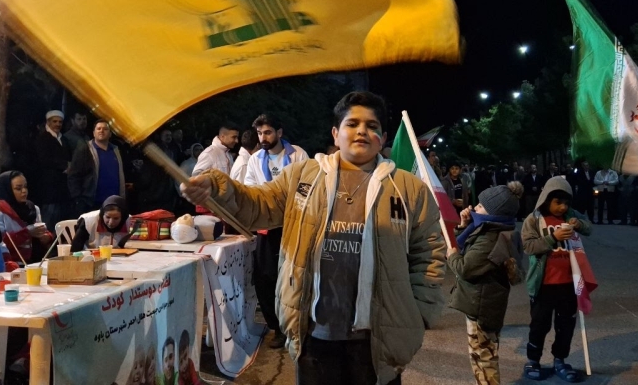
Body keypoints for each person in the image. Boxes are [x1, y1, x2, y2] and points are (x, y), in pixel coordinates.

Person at [181, 91, 446, 384]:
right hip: (314, 336)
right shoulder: (302, 176)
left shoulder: (409, 189)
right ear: (335, 133)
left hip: (378, 341)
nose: (361, 131)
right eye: (352, 124)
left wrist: (417, 316)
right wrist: (217, 187)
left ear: (382, 138)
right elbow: (256, 205)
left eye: (371, 126)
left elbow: (430, 254)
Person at [448, 181, 523, 385]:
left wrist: (451, 255)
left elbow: (466, 268)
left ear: (494, 213)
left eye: (481, 206)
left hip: (481, 306)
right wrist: (464, 225)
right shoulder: (490, 229)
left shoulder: (490, 238)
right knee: (480, 354)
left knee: (483, 357)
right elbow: (469, 245)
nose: (475, 207)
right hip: (483, 302)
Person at [244, 113, 308, 349]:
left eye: (268, 132)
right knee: (265, 278)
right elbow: (250, 188)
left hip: (294, 225)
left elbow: (309, 186)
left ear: (279, 133)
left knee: (293, 275)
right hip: (267, 227)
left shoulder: (298, 155)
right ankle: (276, 328)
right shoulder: (254, 159)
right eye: (260, 133)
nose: (263, 137)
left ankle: (297, 325)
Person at [521, 176, 591, 383]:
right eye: (558, 202)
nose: (563, 207)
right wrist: (553, 238)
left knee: (565, 326)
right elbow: (529, 247)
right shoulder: (534, 219)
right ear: (546, 199)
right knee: (539, 325)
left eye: (566, 202)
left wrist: (578, 224)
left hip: (568, 284)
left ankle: (560, 360)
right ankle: (533, 360)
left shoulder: (570, 215)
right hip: (543, 285)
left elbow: (589, 228)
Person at [0, 171, 55, 264]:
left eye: (25, 187)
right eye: (18, 188)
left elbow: (43, 231)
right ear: (7, 190)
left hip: (37, 261)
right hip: (11, 263)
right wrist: (26, 233)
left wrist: (47, 237)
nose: (24, 191)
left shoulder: (33, 208)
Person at [68, 119, 126, 213]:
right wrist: (78, 198)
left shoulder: (116, 150)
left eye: (105, 129)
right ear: (93, 133)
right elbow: (73, 175)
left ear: (110, 134)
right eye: (98, 128)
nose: (101, 131)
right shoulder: (84, 149)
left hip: (114, 202)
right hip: (91, 202)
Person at [33, 110, 73, 234]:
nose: (57, 124)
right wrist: (64, 166)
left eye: (60, 122)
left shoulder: (63, 139)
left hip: (62, 189)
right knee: (49, 222)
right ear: (48, 122)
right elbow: (44, 160)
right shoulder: (42, 138)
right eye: (55, 121)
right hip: (49, 189)